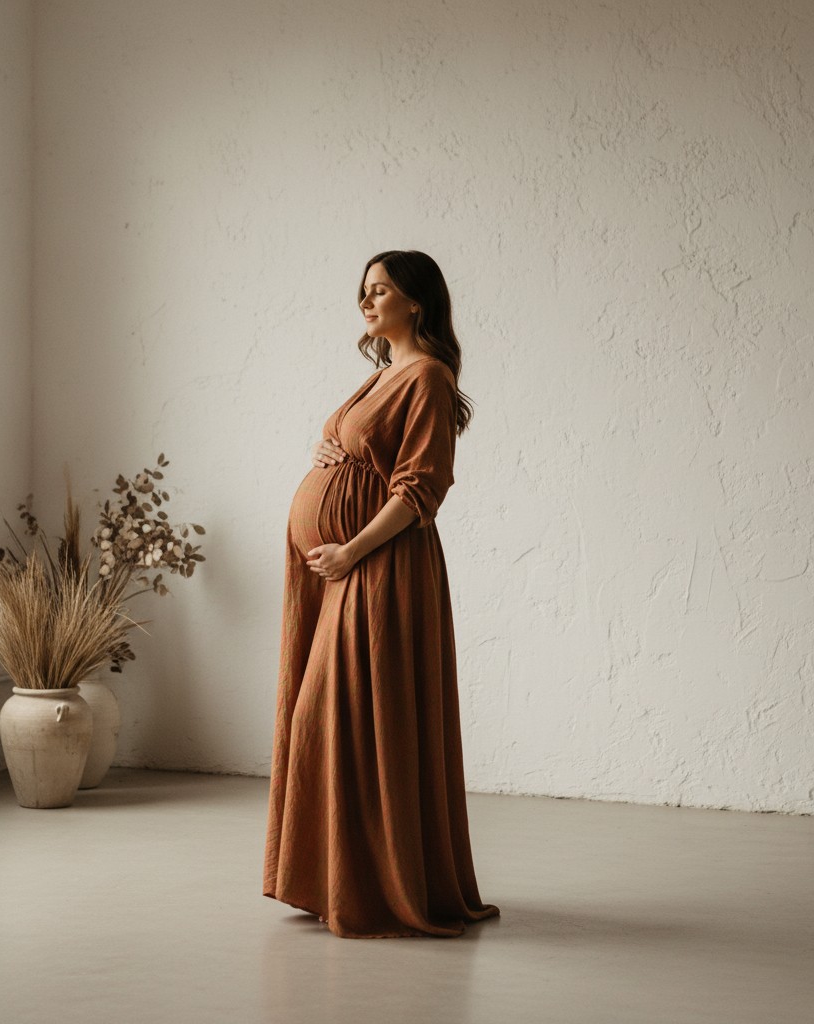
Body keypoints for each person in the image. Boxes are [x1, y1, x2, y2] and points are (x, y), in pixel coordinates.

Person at [263, 249, 499, 938]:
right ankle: (335, 881)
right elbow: (364, 453)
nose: (366, 302)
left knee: (352, 722)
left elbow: (422, 489)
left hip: (380, 569)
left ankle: (371, 887)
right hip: (342, 570)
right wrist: (327, 453)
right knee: (331, 724)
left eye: (381, 290)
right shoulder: (384, 373)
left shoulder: (427, 376)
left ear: (415, 302)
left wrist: (351, 549)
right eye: (363, 291)